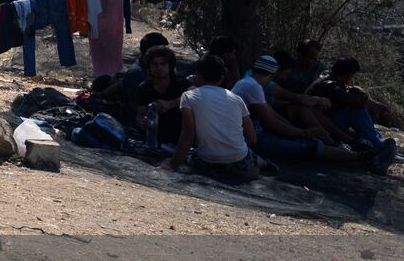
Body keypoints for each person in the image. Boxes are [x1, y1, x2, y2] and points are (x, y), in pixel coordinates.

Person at [232, 55, 385, 170]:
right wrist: (305, 132)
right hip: (255, 139)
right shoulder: (254, 87)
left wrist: (300, 132)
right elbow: (271, 123)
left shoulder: (247, 82)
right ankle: (363, 158)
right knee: (313, 147)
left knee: (310, 142)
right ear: (272, 75)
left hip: (256, 134)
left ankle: (354, 153)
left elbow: (272, 115)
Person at [165, 56, 259, 183]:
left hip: (208, 162)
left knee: (191, 157)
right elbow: (252, 138)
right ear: (221, 79)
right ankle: (261, 163)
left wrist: (173, 165)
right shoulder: (236, 99)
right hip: (239, 164)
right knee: (249, 155)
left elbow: (188, 134)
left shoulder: (189, 97)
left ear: (197, 75)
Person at [308, 58, 398, 161]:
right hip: (321, 124)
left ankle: (375, 142)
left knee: (354, 109)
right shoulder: (329, 85)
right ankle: (377, 144)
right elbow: (358, 103)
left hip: (325, 121)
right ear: (348, 75)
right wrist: (362, 93)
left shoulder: (329, 77)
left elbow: (347, 94)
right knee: (355, 110)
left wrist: (371, 102)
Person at [136, 44, 190, 148]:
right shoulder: (144, 87)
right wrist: (143, 123)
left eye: (163, 64)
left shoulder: (179, 82)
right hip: (154, 138)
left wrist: (170, 104)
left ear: (170, 66)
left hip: (179, 137)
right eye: (154, 64)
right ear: (149, 66)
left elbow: (195, 94)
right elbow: (140, 113)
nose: (158, 68)